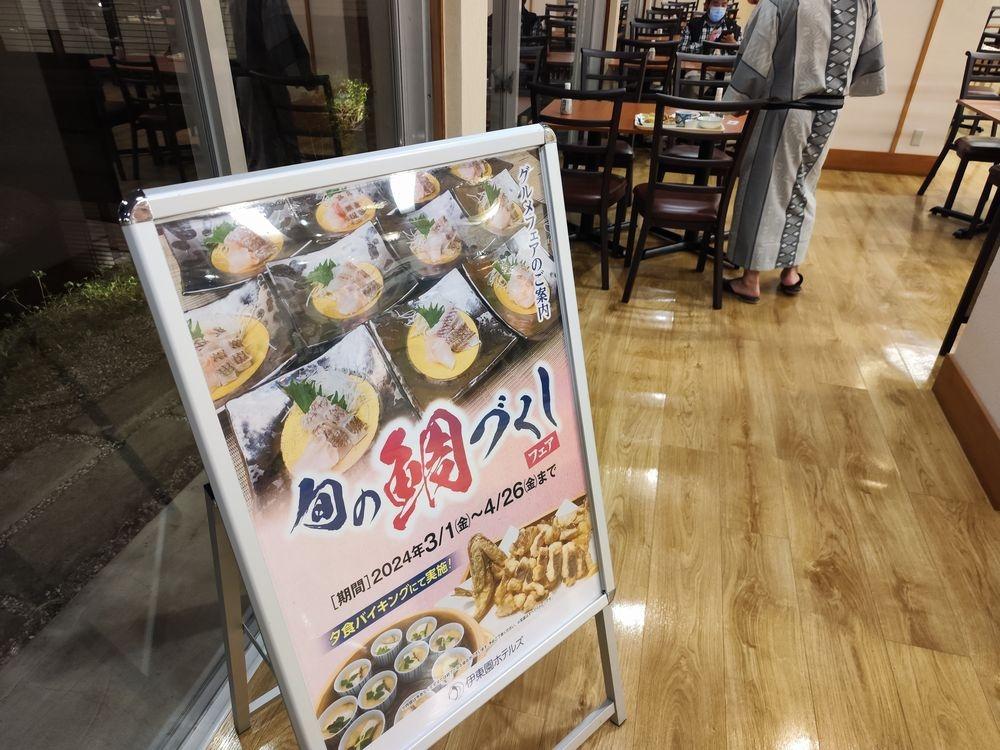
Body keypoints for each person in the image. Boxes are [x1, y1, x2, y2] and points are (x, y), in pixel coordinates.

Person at [721, 0, 885, 303]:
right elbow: (870, 54)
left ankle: (750, 279)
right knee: (803, 187)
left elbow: (756, 56)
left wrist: (736, 102)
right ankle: (790, 272)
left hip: (785, 108)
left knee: (764, 188)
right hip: (830, 111)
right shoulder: (863, 1)